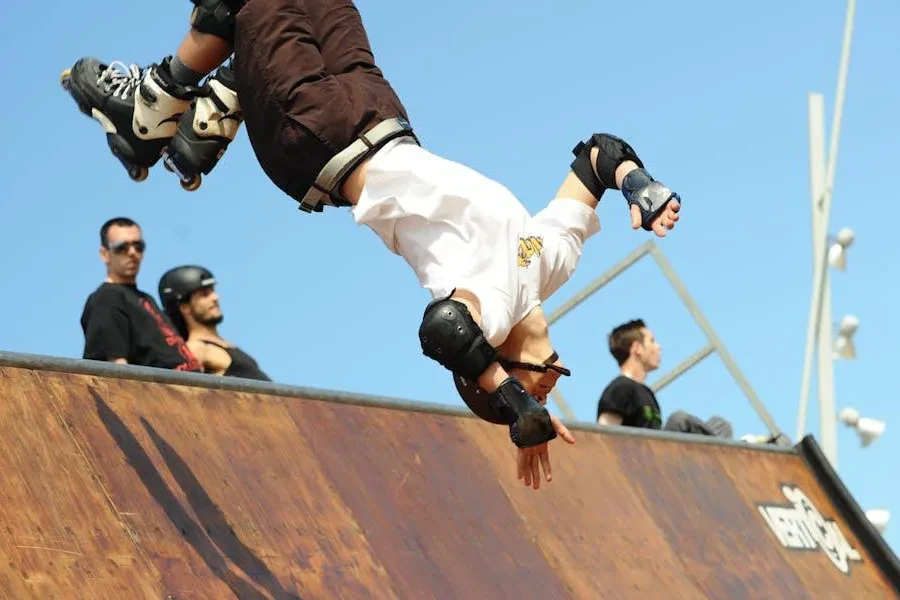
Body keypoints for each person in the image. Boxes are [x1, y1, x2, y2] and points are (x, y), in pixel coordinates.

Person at [61, 0, 683, 490]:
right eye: (553, 381)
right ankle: (209, 113)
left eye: (543, 382)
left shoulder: (490, 302)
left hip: (317, 137)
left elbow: (444, 329)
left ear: (496, 360)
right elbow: (598, 154)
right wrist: (640, 186)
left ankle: (150, 113)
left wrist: (514, 400)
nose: (553, 377)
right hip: (378, 113)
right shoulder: (545, 261)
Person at [81, 217, 203, 372]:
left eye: (138, 246)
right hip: (159, 393)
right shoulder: (106, 298)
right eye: (122, 247)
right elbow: (114, 369)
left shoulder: (145, 298)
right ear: (105, 254)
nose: (132, 252)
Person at [596, 319, 732, 438]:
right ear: (637, 348)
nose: (658, 347)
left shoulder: (645, 393)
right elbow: (604, 436)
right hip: (642, 459)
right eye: (652, 341)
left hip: (661, 456)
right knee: (679, 420)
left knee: (720, 425)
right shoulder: (620, 389)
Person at [158, 265, 272, 381]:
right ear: (185, 307)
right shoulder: (197, 348)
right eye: (204, 294)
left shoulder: (228, 346)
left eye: (213, 290)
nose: (215, 297)